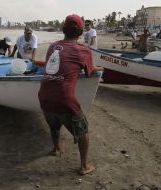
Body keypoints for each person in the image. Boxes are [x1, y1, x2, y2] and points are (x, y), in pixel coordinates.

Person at [38, 14, 102, 175]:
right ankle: (84, 166)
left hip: (44, 96)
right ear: (81, 32)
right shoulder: (83, 50)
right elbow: (88, 72)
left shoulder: (52, 46)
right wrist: (96, 68)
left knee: (54, 124)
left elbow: (54, 66)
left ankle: (56, 148)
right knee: (83, 132)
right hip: (65, 100)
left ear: (63, 29)